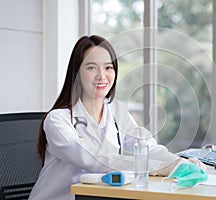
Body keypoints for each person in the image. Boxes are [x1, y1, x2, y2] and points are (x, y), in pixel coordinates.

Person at [29, 35, 205, 200]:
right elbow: (93, 159)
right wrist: (159, 168)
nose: (101, 76)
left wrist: (177, 162)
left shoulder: (116, 111)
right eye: (91, 68)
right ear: (76, 73)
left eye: (108, 67)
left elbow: (146, 146)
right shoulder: (58, 120)